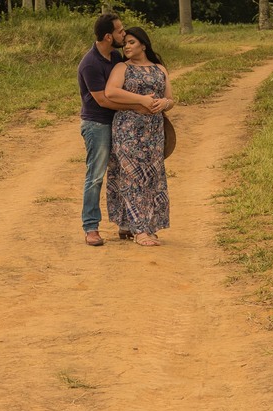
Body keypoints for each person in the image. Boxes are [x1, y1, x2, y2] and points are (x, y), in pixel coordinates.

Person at [77, 14, 160, 247]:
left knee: (122, 173)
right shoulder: (90, 63)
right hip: (97, 124)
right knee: (95, 176)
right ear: (108, 36)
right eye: (120, 31)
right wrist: (139, 104)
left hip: (120, 124)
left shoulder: (114, 56)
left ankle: (126, 224)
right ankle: (91, 227)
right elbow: (103, 100)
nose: (124, 35)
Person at [104, 27, 175, 247]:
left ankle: (146, 226)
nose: (126, 46)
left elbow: (170, 98)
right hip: (128, 129)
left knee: (152, 177)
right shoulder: (122, 67)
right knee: (131, 177)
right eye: (125, 43)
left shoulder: (159, 68)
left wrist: (164, 103)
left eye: (131, 42)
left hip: (154, 131)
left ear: (144, 45)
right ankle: (140, 230)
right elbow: (111, 92)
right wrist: (141, 100)